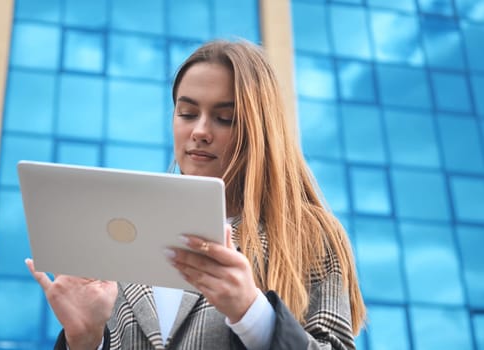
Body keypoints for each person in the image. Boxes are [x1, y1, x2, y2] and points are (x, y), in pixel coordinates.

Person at [26, 39, 366, 350]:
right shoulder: (127, 234)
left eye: (224, 118)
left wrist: (252, 313)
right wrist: (85, 339)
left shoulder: (306, 234)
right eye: (187, 113)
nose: (200, 131)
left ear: (259, 130)